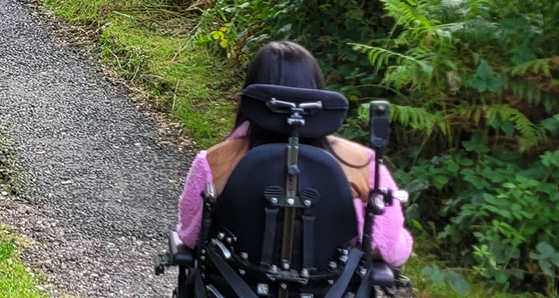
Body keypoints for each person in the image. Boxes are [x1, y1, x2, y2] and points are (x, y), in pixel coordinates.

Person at [175, 39, 413, 267]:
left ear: (252, 95)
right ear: (316, 90)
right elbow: (388, 247)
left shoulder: (214, 161)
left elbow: (191, 236)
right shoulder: (362, 163)